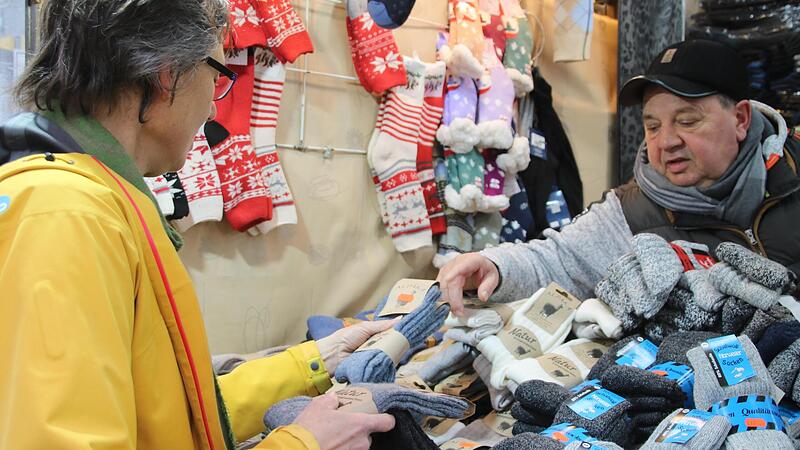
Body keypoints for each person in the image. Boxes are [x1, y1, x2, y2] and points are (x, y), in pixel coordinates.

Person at [0, 1, 396, 449]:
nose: (212, 108)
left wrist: (316, 361)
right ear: (166, 74)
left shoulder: (97, 200)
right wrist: (303, 444)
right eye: (218, 76)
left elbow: (169, 413)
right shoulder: (67, 216)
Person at [438, 39, 800, 313]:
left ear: (740, 119)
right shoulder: (630, 210)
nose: (667, 142)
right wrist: (495, 266)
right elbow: (558, 261)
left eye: (687, 121)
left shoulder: (793, 172)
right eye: (653, 126)